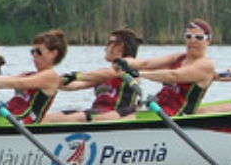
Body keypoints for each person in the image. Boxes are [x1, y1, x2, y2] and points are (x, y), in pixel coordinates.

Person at [90, 18, 218, 117]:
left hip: (175, 115)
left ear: (208, 41)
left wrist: (139, 74)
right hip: (157, 107)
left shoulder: (205, 65)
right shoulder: (179, 57)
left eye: (199, 37)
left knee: (123, 117)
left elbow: (174, 75)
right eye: (189, 36)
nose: (193, 41)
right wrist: (122, 61)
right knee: (106, 117)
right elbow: (145, 63)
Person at [0, 29, 69, 124]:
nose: (34, 55)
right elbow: (5, 81)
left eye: (39, 52)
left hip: (22, 121)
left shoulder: (50, 76)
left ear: (53, 54)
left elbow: (19, 83)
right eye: (33, 51)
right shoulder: (28, 75)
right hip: (10, 115)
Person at [52, 27, 144, 122]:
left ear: (120, 46)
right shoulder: (101, 73)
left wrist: (77, 75)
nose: (105, 48)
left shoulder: (129, 65)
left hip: (118, 113)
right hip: (97, 112)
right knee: (51, 117)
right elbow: (76, 85)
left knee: (76, 117)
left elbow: (111, 73)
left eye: (109, 43)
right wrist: (53, 83)